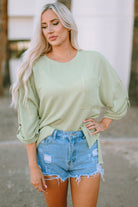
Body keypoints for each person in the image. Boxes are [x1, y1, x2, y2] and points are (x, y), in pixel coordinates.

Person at [11, 2, 130, 207]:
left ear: (67, 25)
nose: (49, 30)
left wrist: (104, 123)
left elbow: (118, 95)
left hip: (86, 145)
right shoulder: (34, 67)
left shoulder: (94, 60)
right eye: (44, 26)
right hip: (50, 148)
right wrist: (33, 166)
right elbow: (28, 118)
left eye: (55, 23)